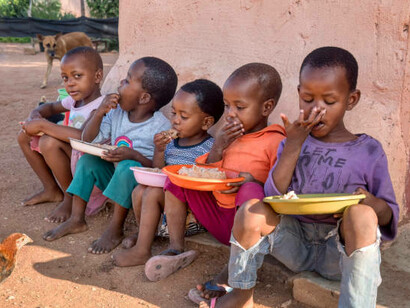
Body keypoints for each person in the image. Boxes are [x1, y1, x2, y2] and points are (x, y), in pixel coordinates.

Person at [200, 47, 400, 308]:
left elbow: (387, 216)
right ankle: (240, 295)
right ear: (298, 94)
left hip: (338, 253)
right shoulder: (292, 142)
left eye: (329, 102)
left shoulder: (368, 151)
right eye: (307, 99)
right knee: (252, 210)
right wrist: (293, 145)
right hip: (294, 244)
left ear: (351, 100)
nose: (317, 109)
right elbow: (273, 195)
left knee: (362, 216)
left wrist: (371, 203)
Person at [144, 63, 287, 282]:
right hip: (219, 220)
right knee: (179, 180)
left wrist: (255, 182)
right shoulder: (227, 136)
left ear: (266, 107)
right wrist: (219, 145)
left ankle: (234, 269)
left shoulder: (275, 140)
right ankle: (176, 248)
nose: (230, 114)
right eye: (227, 106)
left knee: (249, 188)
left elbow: (282, 189)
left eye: (239, 107)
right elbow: (204, 173)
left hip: (248, 226)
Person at [42, 57, 178, 257]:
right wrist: (99, 114)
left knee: (127, 166)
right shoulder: (116, 114)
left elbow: (158, 170)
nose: (120, 84)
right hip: (111, 181)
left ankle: (116, 228)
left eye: (127, 81)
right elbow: (88, 138)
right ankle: (77, 218)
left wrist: (133, 155)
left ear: (143, 98)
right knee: (88, 159)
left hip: (135, 193)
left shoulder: (161, 127)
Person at [112, 79, 225, 267]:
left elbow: (208, 179)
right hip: (165, 209)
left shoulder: (209, 148)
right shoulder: (171, 144)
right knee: (140, 190)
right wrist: (159, 151)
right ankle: (146, 234)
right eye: (174, 113)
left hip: (191, 216)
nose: (175, 120)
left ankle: (165, 248)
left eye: (184, 116)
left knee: (154, 192)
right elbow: (159, 171)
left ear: (206, 122)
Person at [17, 47, 105, 223]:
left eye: (77, 76)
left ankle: (70, 196)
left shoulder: (102, 105)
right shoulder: (75, 100)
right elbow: (48, 107)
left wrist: (43, 125)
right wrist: (34, 117)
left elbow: (83, 137)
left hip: (89, 169)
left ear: (97, 76)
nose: (69, 83)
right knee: (24, 136)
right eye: (65, 78)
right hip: (72, 157)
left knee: (49, 142)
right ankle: (51, 189)